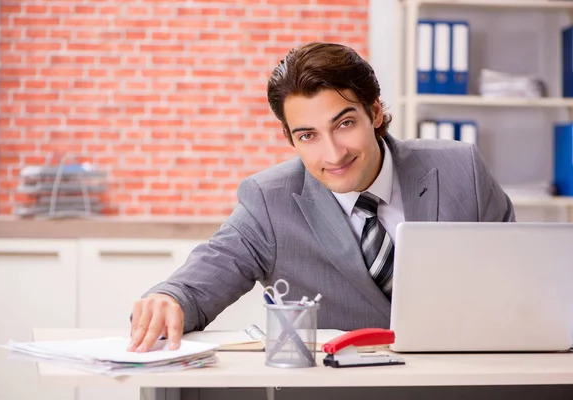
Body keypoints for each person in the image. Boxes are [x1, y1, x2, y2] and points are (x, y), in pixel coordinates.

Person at [127, 42, 515, 353]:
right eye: (308, 135)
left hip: (458, 385)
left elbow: (518, 282)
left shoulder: (461, 171)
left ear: (375, 113)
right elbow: (201, 280)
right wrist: (169, 298)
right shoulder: (270, 201)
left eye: (345, 123)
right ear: (290, 138)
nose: (333, 154)